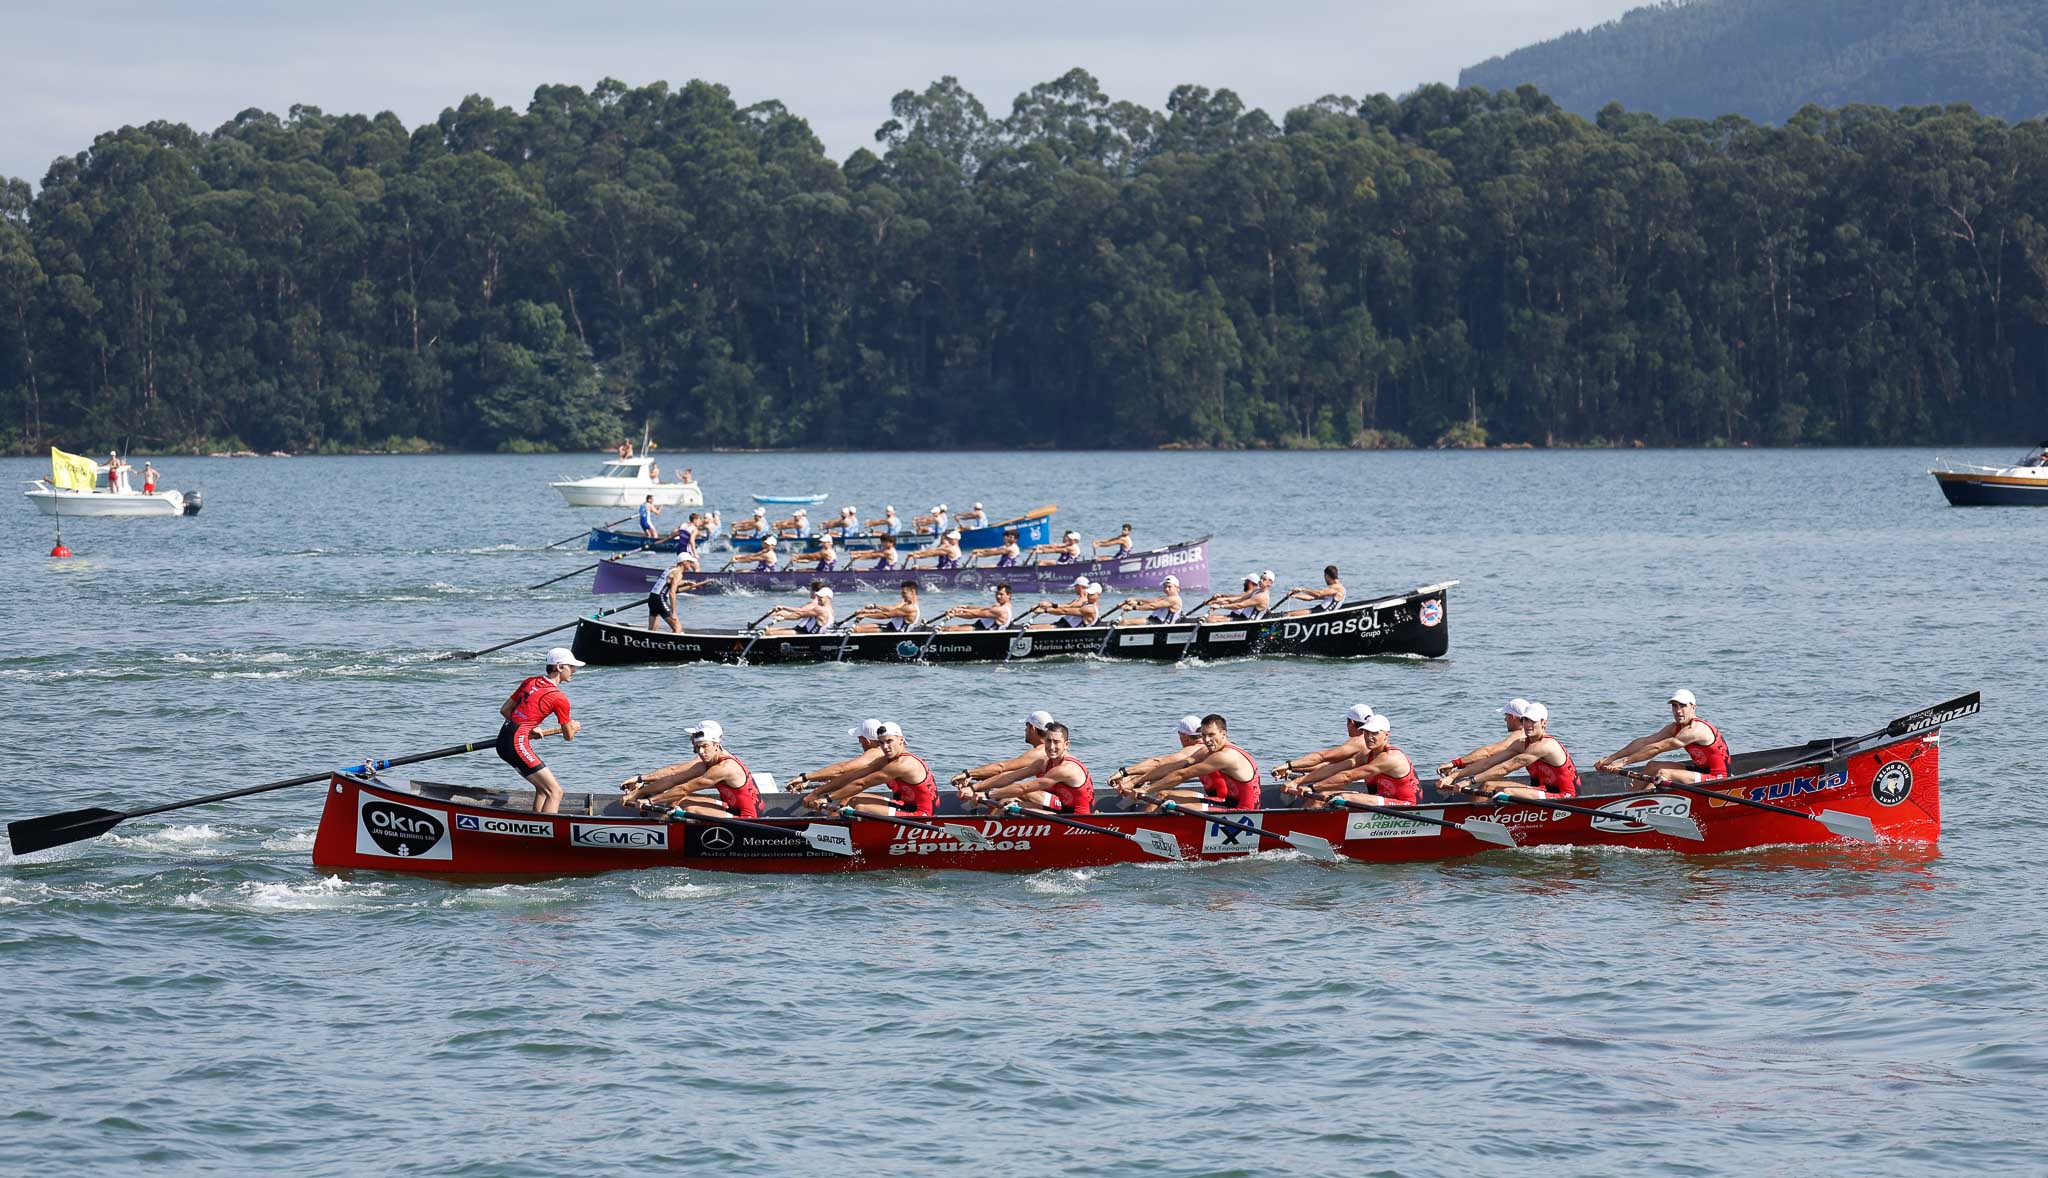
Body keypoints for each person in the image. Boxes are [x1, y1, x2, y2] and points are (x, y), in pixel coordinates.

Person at [496, 647, 585, 814]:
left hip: (503, 740)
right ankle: (547, 833)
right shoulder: (559, 698)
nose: (574, 670)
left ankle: (536, 825)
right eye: (571, 666)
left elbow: (506, 711)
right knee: (556, 792)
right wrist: (572, 727)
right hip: (516, 743)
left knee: (544, 790)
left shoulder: (530, 681)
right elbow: (568, 736)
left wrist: (531, 727)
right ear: (559, 667)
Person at [1115, 714, 1259, 812]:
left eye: (1211, 735)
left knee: (1169, 807)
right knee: (1163, 795)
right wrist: (1137, 781)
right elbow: (1173, 767)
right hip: (1226, 802)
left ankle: (1139, 828)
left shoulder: (1225, 756)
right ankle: (1140, 825)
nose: (1207, 740)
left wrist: (1146, 790)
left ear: (1224, 734)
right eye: (1203, 735)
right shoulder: (1206, 751)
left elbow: (1182, 774)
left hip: (1242, 812)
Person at [1438, 701, 1578, 801]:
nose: (1528, 725)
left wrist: (1470, 781)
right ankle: (1469, 820)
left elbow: (1506, 767)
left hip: (1564, 796)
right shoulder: (1521, 744)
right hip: (1541, 789)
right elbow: (1489, 762)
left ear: (1544, 723)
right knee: (1487, 786)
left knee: (1506, 792)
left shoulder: (1546, 746)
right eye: (1525, 720)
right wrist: (1454, 776)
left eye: (1533, 721)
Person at [618, 720, 760, 818]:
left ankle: (664, 837)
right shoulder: (709, 759)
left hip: (747, 817)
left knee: (690, 809)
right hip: (730, 807)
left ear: (716, 744)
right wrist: (640, 786)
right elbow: (673, 774)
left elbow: (684, 788)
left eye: (705, 746)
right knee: (677, 800)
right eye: (697, 747)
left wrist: (650, 802)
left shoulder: (724, 768)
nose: (701, 752)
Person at [1595, 689, 1732, 785]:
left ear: (1693, 707)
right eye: (1674, 706)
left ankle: (1650, 804)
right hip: (1699, 771)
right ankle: (1630, 800)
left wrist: (1623, 763)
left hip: (1718, 778)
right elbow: (1646, 741)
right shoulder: (1674, 728)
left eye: (1683, 706)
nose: (1678, 711)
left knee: (1664, 773)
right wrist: (1611, 758)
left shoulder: (1696, 730)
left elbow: (1657, 748)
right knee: (1652, 767)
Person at [803, 722, 937, 816]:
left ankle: (849, 838)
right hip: (904, 804)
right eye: (881, 743)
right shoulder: (885, 759)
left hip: (921, 814)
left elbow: (862, 783)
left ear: (901, 740)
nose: (885, 747)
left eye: (889, 741)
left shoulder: (903, 764)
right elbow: (853, 776)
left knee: (861, 808)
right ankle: (835, 826)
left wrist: (827, 799)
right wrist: (817, 792)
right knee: (852, 798)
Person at [1286, 714, 1420, 807]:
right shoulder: (1367, 754)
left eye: (1374, 733)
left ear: (1386, 735)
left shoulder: (1390, 757)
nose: (1369, 737)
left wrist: (1311, 788)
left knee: (1343, 798)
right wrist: (1297, 782)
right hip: (1380, 798)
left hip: (1405, 805)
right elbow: (1334, 768)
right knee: (1324, 794)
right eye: (1366, 733)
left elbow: (1347, 776)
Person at [960, 722, 1094, 814]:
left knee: (1012, 806)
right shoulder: (1044, 762)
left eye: (1056, 742)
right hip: (1061, 808)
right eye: (1048, 741)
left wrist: (987, 794)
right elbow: (1011, 776)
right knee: (1007, 801)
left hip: (1077, 818)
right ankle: (988, 833)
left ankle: (991, 838)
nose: (1051, 746)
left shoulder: (1066, 769)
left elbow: (1024, 788)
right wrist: (974, 788)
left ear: (1066, 745)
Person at [950, 710, 1056, 792]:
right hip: (1050, 795)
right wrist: (975, 778)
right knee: (997, 790)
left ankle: (987, 820)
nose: (1025, 730)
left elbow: (1001, 768)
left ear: (1032, 728)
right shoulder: (1045, 750)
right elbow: (1009, 775)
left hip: (1055, 799)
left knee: (1004, 797)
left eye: (1026, 726)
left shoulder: (1039, 752)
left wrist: (967, 774)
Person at [790, 719, 889, 807]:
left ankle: (831, 824)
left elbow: (841, 769)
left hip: (902, 807)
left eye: (860, 738)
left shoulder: (876, 753)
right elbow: (847, 777)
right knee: (845, 793)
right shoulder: (880, 754)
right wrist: (811, 784)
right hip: (899, 801)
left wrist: (805, 777)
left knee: (848, 798)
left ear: (867, 741)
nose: (859, 742)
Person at [1271, 703, 1376, 781]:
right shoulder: (1375, 740)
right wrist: (1293, 769)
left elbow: (1322, 757)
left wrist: (1289, 765)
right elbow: (1329, 766)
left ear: (1351, 722)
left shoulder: (1358, 741)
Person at [1437, 699, 1531, 778]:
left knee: (1486, 786)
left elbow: (1488, 752)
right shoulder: (1524, 735)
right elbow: (1493, 760)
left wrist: (1454, 763)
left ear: (1512, 716)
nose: (1505, 719)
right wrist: (1460, 767)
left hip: (1541, 786)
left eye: (1506, 715)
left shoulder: (1520, 735)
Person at [1107, 716, 1207, 788]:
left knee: (1163, 796)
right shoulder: (1205, 748)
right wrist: (1139, 778)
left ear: (1184, 736)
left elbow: (1158, 763)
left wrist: (1124, 772)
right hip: (1214, 794)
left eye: (1179, 734)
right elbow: (1171, 771)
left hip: (1218, 801)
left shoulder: (1196, 750)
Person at [647, 555, 711, 633]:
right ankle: (672, 644)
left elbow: (671, 581)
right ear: (684, 562)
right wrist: (674, 613)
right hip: (660, 599)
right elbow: (672, 593)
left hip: (652, 598)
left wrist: (686, 582)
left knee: (652, 631)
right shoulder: (678, 574)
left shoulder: (670, 568)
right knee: (677, 628)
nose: (691, 565)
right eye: (690, 562)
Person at [847, 581, 922, 632]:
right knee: (855, 629)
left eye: (904, 593)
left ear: (912, 592)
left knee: (857, 630)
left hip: (894, 633)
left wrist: (866, 615)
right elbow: (892, 609)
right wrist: (870, 609)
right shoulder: (906, 603)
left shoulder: (910, 608)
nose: (902, 595)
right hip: (889, 627)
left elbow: (886, 615)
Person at [935, 583, 1014, 630]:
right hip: (978, 627)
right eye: (997, 594)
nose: (998, 596)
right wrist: (965, 607)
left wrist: (956, 613)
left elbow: (975, 614)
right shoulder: (999, 606)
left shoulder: (1001, 610)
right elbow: (981, 609)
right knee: (947, 628)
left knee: (949, 630)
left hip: (981, 631)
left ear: (1008, 595)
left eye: (1001, 594)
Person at [763, 583, 834, 635]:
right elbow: (801, 612)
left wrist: (783, 617)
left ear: (828, 597)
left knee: (769, 633)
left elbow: (799, 614)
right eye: (818, 596)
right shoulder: (831, 610)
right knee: (766, 631)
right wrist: (783, 611)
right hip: (805, 631)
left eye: (821, 596)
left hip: (806, 634)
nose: (819, 598)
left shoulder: (820, 609)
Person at [1275, 566, 1346, 616]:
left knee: (1289, 614)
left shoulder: (1337, 588)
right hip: (1319, 610)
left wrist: (1302, 589)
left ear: (1327, 576)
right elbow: (1311, 597)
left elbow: (1318, 594)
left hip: (1321, 612)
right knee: (1289, 614)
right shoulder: (1334, 589)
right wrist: (1294, 596)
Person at [1031, 577, 1100, 629]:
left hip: (1065, 627)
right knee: (1031, 627)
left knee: (1031, 628)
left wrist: (1045, 609)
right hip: (1063, 624)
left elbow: (1066, 609)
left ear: (1079, 586)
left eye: (1075, 586)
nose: (1074, 589)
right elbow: (1067, 607)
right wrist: (1050, 605)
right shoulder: (1086, 601)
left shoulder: (1084, 601)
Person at [1202, 573, 1273, 622]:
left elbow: (1239, 605)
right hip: (1241, 616)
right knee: (1209, 618)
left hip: (1248, 622)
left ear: (1270, 583)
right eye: (1261, 578)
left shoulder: (1261, 596)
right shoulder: (1257, 591)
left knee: (1211, 620)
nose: (1260, 580)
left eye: (1263, 579)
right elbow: (1238, 599)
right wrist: (1214, 602)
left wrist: (1220, 606)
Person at [1113, 575, 1183, 625]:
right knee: (1121, 622)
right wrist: (1134, 602)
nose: (1166, 589)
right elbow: (1151, 602)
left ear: (1177, 588)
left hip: (1160, 624)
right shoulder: (1164, 597)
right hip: (1153, 621)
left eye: (1169, 587)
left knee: (1125, 622)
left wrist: (1133, 607)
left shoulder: (1175, 599)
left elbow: (1153, 606)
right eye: (1165, 587)